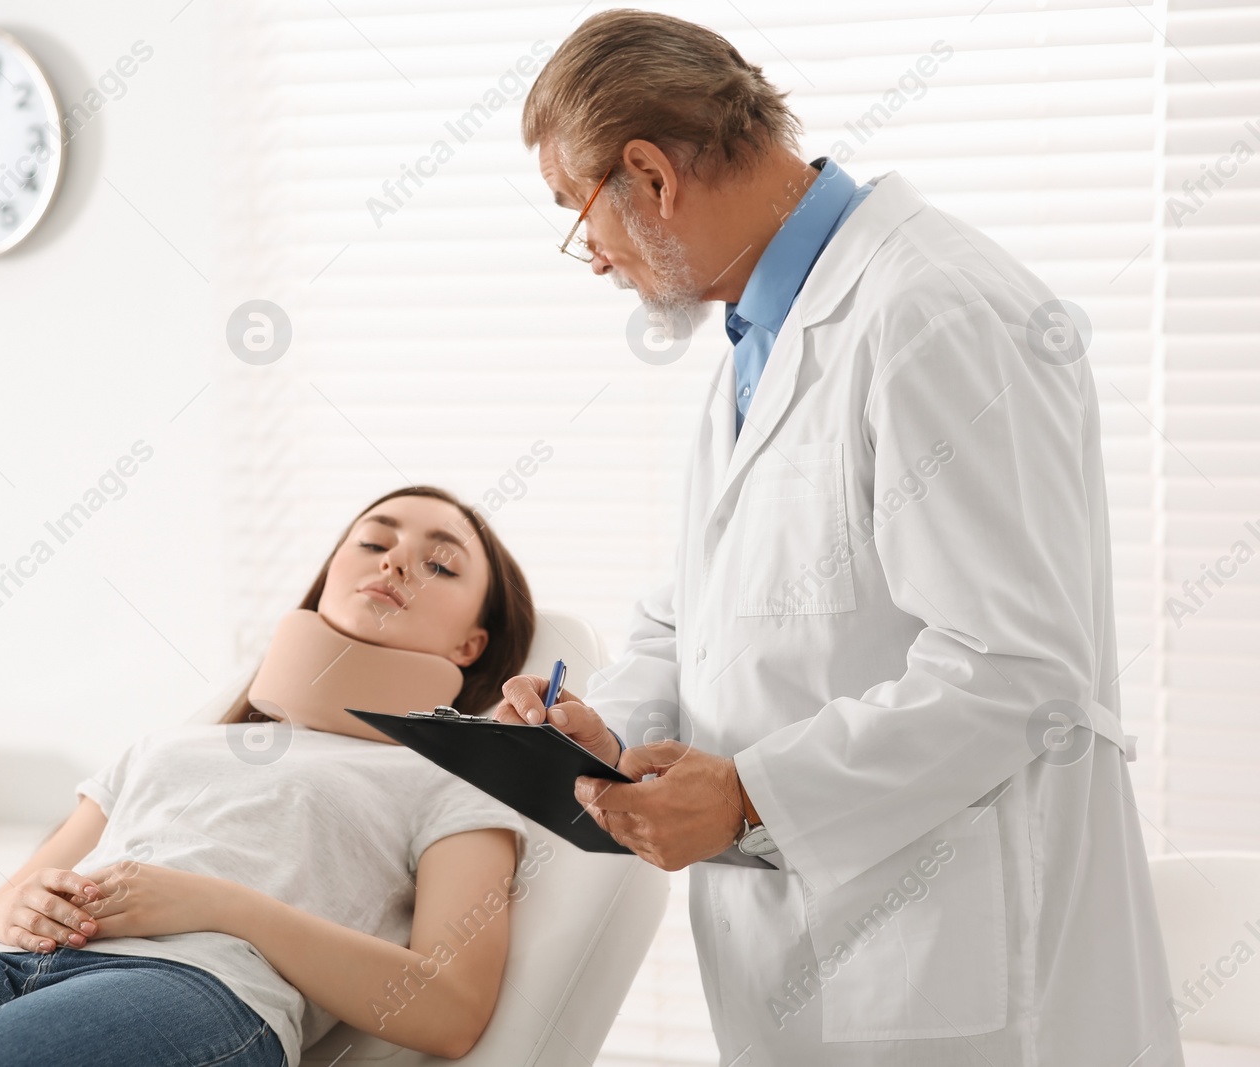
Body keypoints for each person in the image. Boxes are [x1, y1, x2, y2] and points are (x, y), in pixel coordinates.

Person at [494, 10, 1181, 1066]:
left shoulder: (933, 311)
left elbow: (1018, 669)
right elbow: (692, 614)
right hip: (811, 964)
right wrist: (608, 733)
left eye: (576, 212)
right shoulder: (758, 342)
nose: (591, 259)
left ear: (650, 173)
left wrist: (751, 793)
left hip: (958, 982)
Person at [0, 486, 537, 1067]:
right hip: (4, 957)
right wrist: (24, 903)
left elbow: (451, 1008)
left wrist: (215, 904)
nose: (393, 562)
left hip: (197, 987)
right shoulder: (169, 745)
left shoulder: (454, 779)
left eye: (439, 562)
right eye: (373, 542)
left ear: (470, 646)